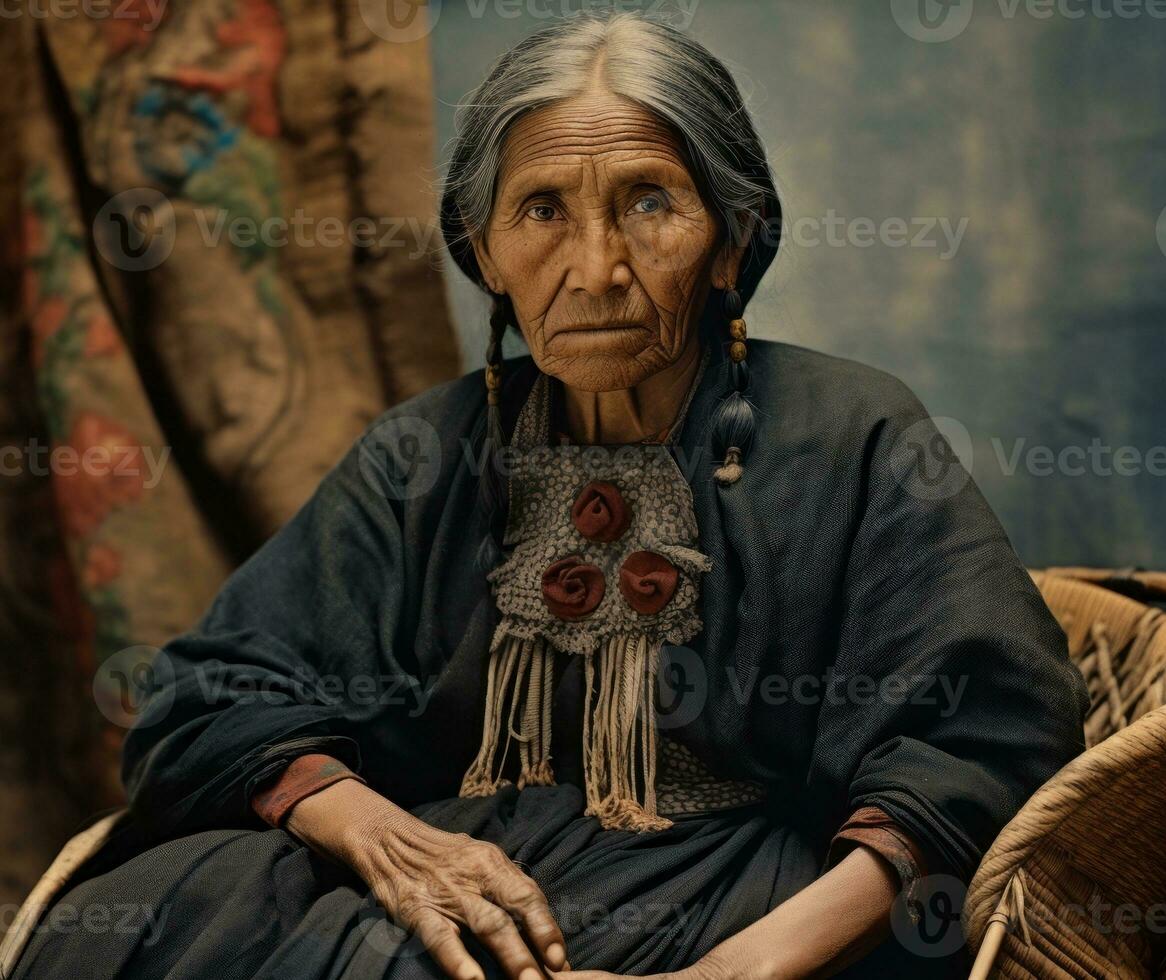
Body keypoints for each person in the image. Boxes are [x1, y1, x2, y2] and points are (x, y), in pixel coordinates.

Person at [13, 12, 1087, 979]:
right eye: (540, 210)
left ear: (732, 238)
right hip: (460, 867)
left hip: (758, 894)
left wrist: (745, 971)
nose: (596, 264)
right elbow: (208, 699)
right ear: (483, 252)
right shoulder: (424, 455)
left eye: (648, 203)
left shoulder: (853, 435)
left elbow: (990, 736)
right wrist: (384, 837)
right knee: (137, 915)